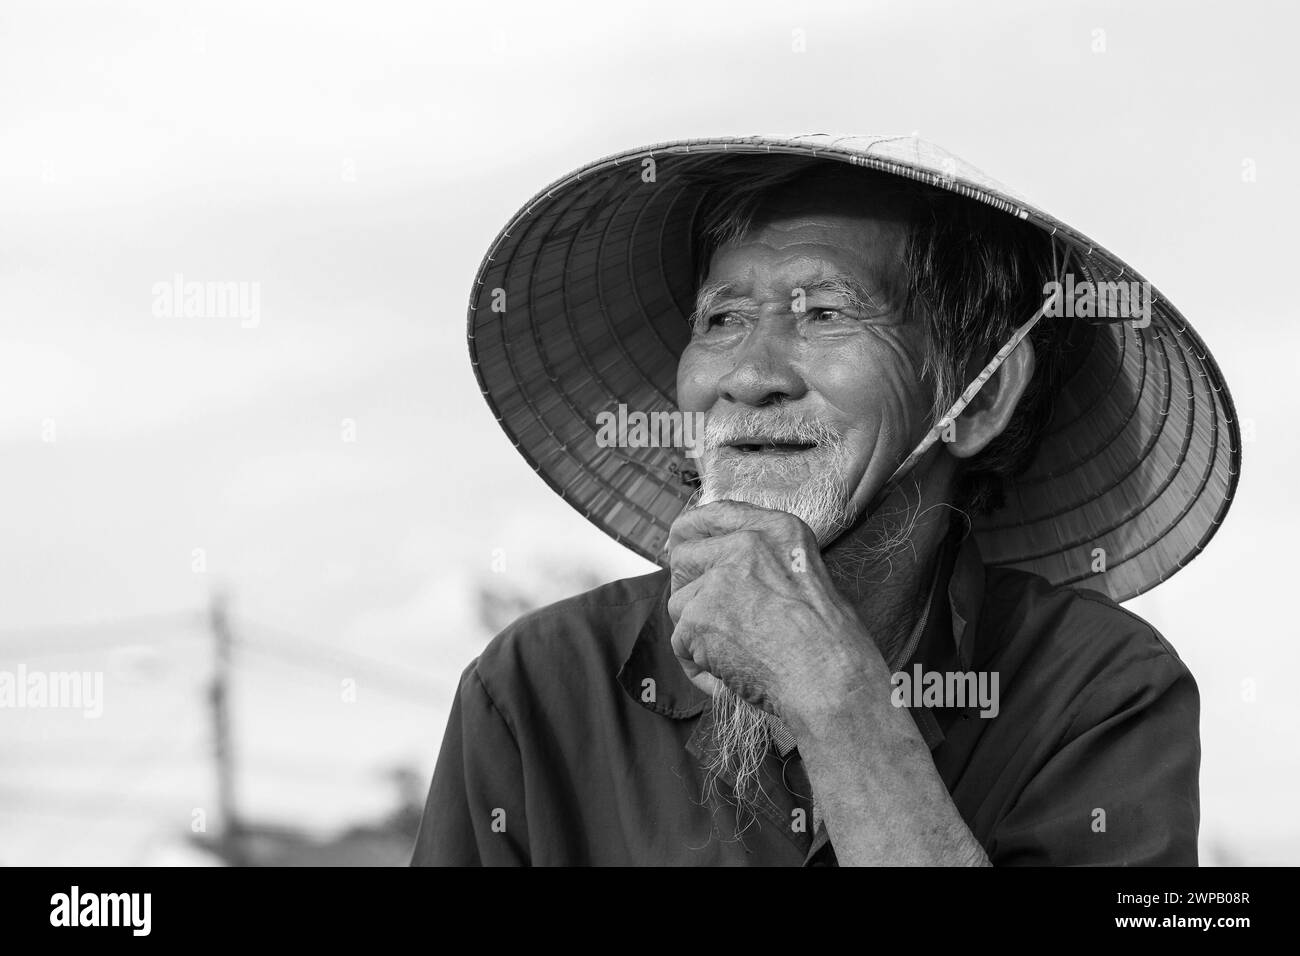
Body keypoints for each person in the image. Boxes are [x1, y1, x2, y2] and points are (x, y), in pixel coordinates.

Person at [411, 135, 1239, 866]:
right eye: (722, 318)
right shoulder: (537, 692)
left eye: (826, 313)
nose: (749, 376)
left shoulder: (1099, 692)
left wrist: (838, 701)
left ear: (978, 401)